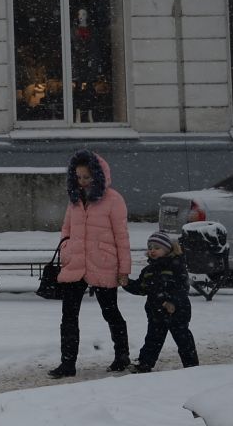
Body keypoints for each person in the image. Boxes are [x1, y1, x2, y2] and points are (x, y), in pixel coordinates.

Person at [49, 149, 132, 379]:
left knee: (111, 312)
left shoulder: (113, 200)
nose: (82, 181)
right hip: (76, 265)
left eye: (86, 177)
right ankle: (67, 363)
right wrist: (66, 249)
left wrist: (124, 269)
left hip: (103, 264)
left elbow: (121, 236)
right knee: (68, 316)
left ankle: (122, 355)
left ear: (98, 174)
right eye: (78, 176)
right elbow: (66, 228)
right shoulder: (75, 200)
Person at [124, 231, 198, 372]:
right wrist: (126, 283)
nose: (152, 251)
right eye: (150, 248)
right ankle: (145, 364)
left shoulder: (176, 266)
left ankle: (191, 366)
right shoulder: (148, 271)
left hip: (177, 311)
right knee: (152, 339)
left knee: (183, 339)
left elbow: (182, 288)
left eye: (157, 248)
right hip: (156, 313)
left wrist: (172, 302)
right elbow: (141, 288)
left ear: (167, 249)